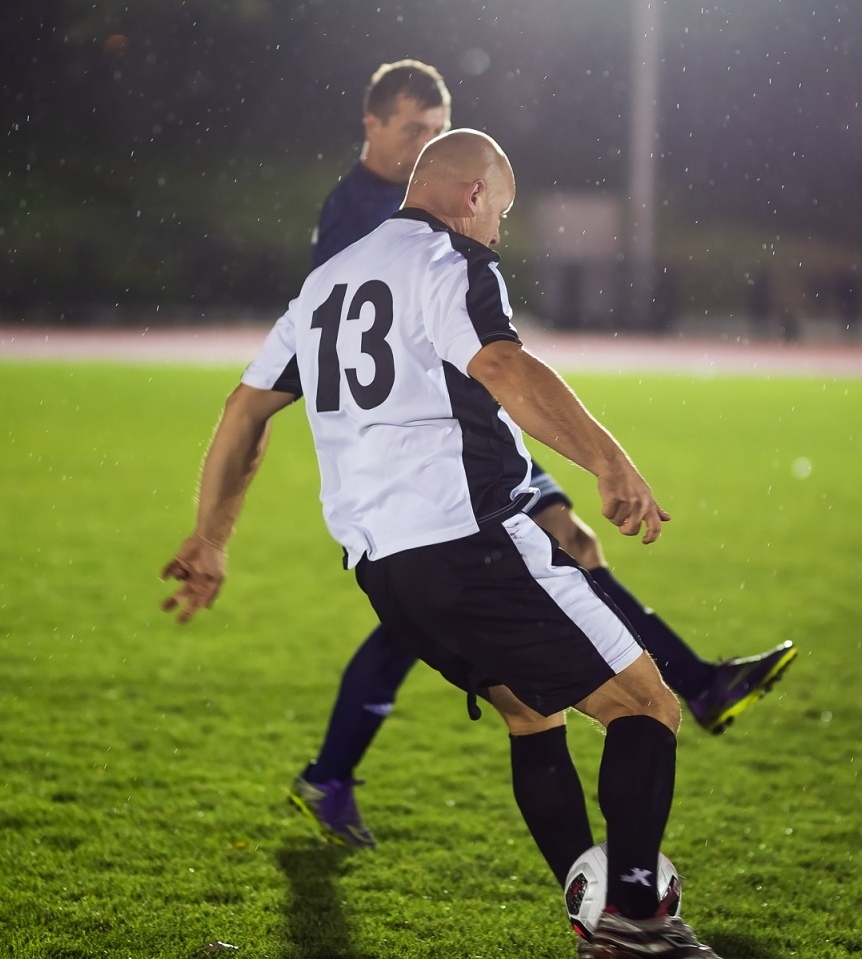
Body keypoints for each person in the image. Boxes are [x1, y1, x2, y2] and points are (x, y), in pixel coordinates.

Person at [163, 130, 752, 959]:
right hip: (470, 539)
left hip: (384, 571)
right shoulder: (449, 261)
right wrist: (609, 461)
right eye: (502, 212)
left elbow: (244, 409)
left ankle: (604, 926)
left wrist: (212, 536)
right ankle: (634, 917)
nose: (499, 233)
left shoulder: (326, 282)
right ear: (473, 195)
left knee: (530, 716)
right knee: (646, 704)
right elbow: (504, 364)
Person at [293, 59, 797, 849]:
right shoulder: (366, 217)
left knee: (532, 596)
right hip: (422, 463)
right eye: (414, 129)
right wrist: (594, 463)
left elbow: (469, 367)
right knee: (468, 612)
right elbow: (437, 359)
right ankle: (333, 773)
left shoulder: (406, 217)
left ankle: (691, 691)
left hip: (446, 462)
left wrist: (547, 476)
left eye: (437, 130)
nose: (427, 142)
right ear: (374, 127)